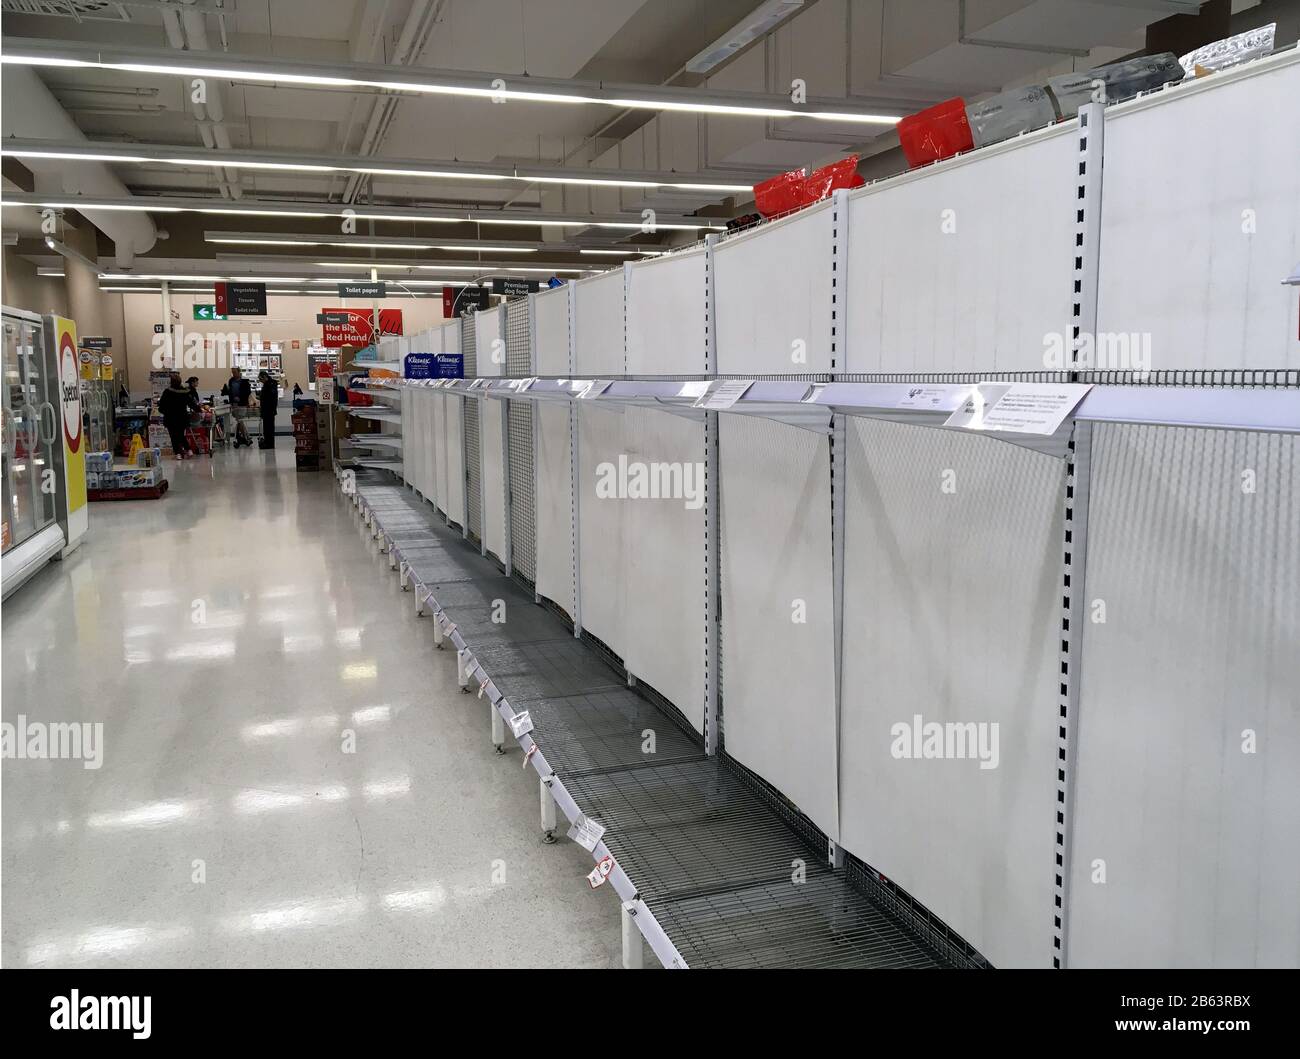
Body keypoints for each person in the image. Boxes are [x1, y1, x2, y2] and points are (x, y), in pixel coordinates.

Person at [157, 372, 193, 460]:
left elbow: (161, 406)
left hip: (171, 418)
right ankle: (188, 450)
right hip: (182, 417)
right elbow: (191, 403)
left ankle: (178, 453)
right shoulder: (185, 391)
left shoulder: (167, 392)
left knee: (174, 436)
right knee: (181, 434)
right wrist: (199, 410)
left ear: (171, 382)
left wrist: (163, 411)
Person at [221, 366, 253, 447]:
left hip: (242, 403)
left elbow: (248, 392)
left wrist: (240, 398)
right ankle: (245, 437)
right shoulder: (231, 380)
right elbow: (230, 392)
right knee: (239, 420)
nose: (233, 374)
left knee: (240, 419)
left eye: (235, 372)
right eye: (232, 372)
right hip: (234, 404)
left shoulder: (244, 381)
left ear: (239, 372)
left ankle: (245, 437)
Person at [256, 370, 278, 450]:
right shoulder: (267, 384)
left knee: (269, 428)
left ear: (265, 377)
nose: (261, 381)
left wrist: (261, 397)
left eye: (261, 379)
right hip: (266, 409)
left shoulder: (271, 384)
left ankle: (269, 444)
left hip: (269, 410)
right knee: (266, 427)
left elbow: (271, 398)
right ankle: (267, 442)